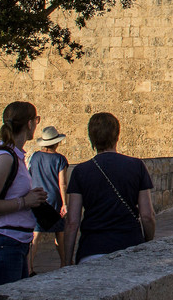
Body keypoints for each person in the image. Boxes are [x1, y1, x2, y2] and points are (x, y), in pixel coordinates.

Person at [0, 101, 48, 289]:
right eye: (36, 120)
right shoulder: (4, 158)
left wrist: (30, 198)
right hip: (1, 245)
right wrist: (24, 201)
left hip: (13, 245)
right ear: (30, 124)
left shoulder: (14, 156)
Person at [64, 112, 155, 266]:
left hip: (92, 249)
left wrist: (66, 262)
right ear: (117, 136)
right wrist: (147, 242)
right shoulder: (136, 166)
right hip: (130, 247)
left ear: (91, 138)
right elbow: (147, 215)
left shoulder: (80, 171)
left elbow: (72, 222)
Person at [26, 125, 69, 275]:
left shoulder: (34, 157)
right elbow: (62, 183)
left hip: (37, 199)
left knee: (35, 235)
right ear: (56, 142)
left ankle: (29, 267)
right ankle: (64, 263)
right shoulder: (60, 159)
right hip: (54, 200)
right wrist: (65, 203)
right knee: (60, 233)